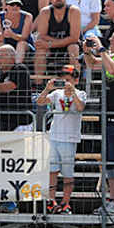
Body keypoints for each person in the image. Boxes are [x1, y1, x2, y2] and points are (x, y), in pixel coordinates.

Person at [84, 27, 114, 214]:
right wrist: (87, 52)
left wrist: (101, 49)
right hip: (110, 115)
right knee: (111, 161)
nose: (111, 41)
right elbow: (93, 64)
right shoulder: (113, 57)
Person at [36, 65, 85, 215]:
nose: (65, 82)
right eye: (62, 79)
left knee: (68, 173)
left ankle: (66, 202)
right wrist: (47, 88)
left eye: (68, 79)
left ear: (75, 80)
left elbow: (80, 107)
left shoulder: (80, 93)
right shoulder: (56, 93)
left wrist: (72, 94)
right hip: (54, 136)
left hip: (69, 138)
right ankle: (51, 201)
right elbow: (40, 102)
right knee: (52, 171)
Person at [35, 0, 81, 79]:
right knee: (40, 50)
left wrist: (50, 44)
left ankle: (75, 83)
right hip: (52, 45)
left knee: (73, 49)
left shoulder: (74, 11)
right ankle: (38, 86)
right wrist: (51, 45)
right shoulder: (45, 12)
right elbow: (42, 35)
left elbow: (74, 38)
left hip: (69, 45)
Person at [0, 0, 35, 64]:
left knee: (21, 44)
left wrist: (12, 35)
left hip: (25, 45)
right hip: (7, 44)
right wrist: (3, 35)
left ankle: (17, 67)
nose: (15, 7)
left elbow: (24, 37)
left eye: (18, 5)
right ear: (6, 6)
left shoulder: (27, 16)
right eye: (12, 4)